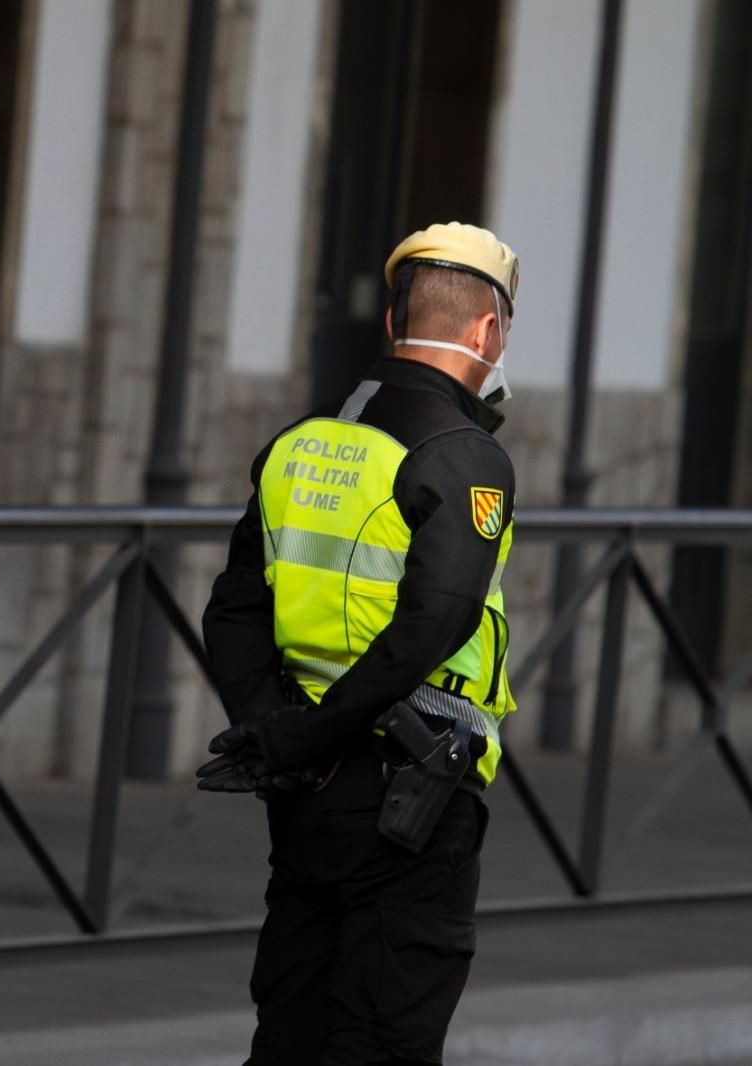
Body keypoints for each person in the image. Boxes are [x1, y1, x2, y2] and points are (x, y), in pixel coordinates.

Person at [197, 222, 520, 1065]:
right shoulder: (463, 455)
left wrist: (274, 732)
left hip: (304, 788)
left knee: (291, 1032)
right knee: (385, 1040)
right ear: (486, 333)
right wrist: (305, 737)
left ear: (390, 323)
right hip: (408, 797)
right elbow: (430, 627)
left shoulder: (297, 444)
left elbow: (231, 611)